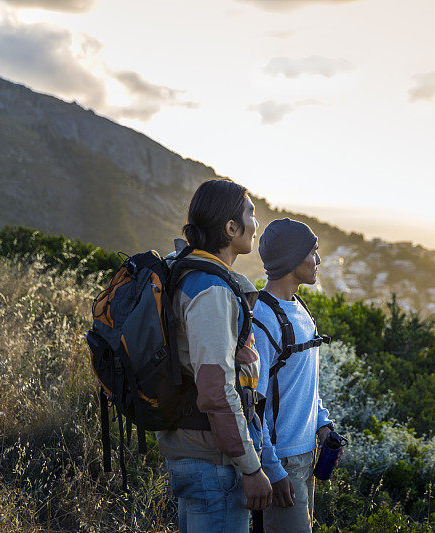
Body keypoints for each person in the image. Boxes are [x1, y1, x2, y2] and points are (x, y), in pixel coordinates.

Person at [156, 179, 273, 533]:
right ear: (230, 227)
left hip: (193, 450)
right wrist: (251, 469)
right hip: (213, 462)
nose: (256, 223)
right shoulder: (212, 290)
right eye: (250, 213)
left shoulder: (185, 270)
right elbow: (217, 392)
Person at [253, 218, 342, 533]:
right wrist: (272, 470)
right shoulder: (262, 321)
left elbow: (305, 383)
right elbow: (254, 408)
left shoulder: (299, 308)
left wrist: (322, 425)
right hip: (282, 462)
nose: (318, 260)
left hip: (306, 455)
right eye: (313, 251)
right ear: (292, 260)